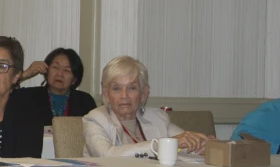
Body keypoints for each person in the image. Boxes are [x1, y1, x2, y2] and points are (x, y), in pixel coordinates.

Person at [83, 56, 213, 157]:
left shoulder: (158, 118)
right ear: (106, 94)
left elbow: (184, 142)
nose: (124, 95)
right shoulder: (95, 119)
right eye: (116, 88)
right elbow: (106, 156)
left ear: (144, 94)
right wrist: (161, 145)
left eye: (132, 88)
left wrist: (203, 144)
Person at [19, 48, 97, 122]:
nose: (60, 74)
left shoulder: (85, 102)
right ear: (46, 71)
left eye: (67, 70)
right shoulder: (28, 96)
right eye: (55, 67)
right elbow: (7, 95)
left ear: (74, 80)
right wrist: (24, 75)